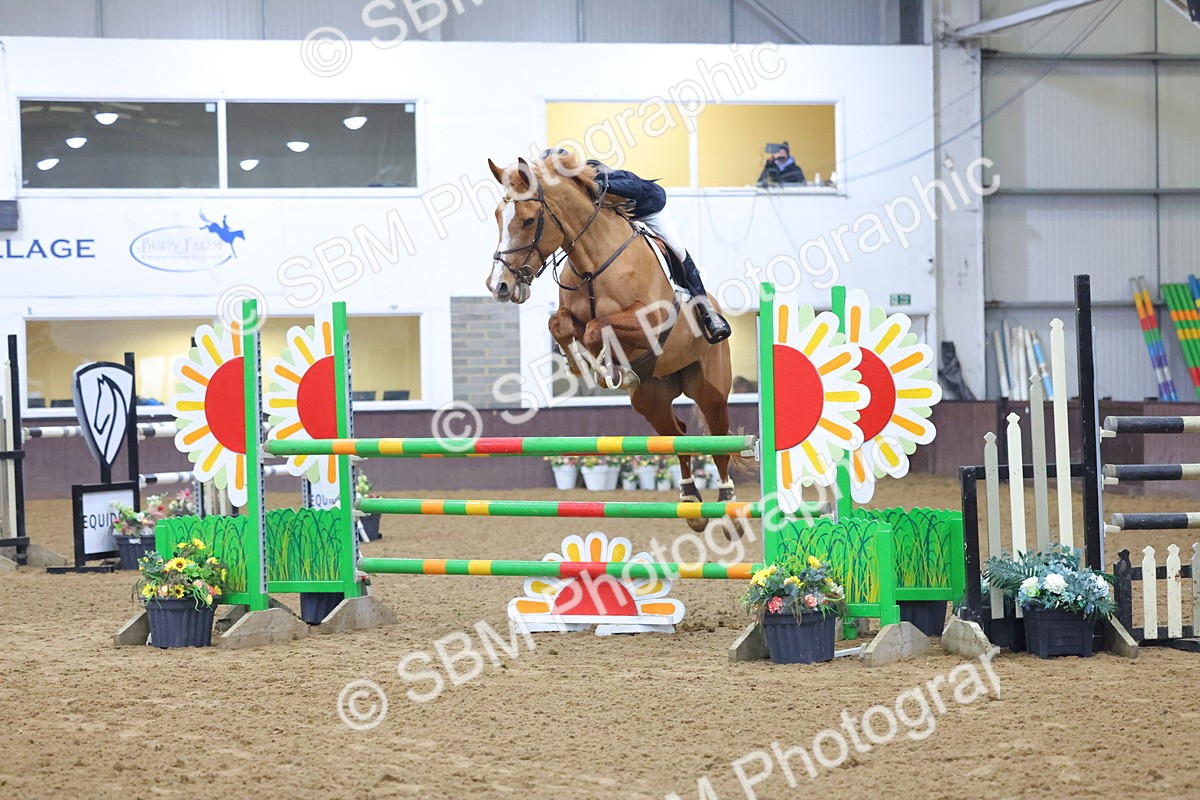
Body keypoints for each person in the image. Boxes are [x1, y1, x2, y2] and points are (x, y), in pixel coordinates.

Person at [539, 148, 731, 344]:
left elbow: (634, 188)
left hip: (648, 208)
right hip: (621, 216)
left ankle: (708, 313)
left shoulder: (594, 172)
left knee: (677, 250)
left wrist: (600, 185)